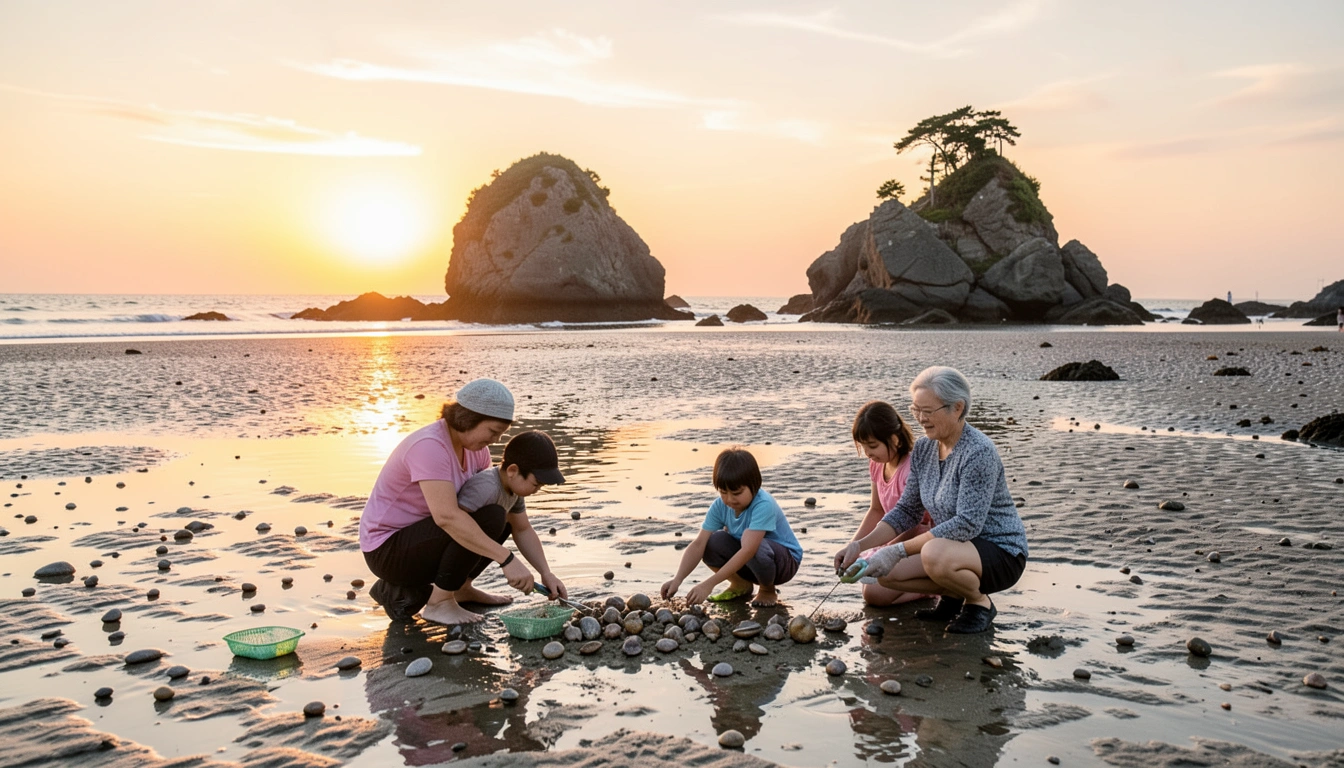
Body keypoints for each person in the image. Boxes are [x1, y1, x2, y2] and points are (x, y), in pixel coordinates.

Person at [836, 367, 1028, 634]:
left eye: (927, 411)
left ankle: (979, 603)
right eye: (916, 410)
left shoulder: (978, 452)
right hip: (953, 549)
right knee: (883, 574)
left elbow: (966, 525)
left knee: (932, 552)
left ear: (957, 408)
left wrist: (897, 550)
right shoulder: (924, 449)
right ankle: (952, 596)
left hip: (1000, 552)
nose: (920, 419)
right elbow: (906, 510)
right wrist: (859, 546)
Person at [360, 378, 557, 624]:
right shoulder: (430, 447)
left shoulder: (477, 451)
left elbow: (521, 526)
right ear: (468, 419)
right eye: (493, 432)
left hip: (424, 538)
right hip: (387, 549)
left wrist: (546, 573)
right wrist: (507, 559)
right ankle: (439, 603)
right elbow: (447, 517)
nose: (496, 440)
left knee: (497, 511)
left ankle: (461, 588)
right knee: (490, 516)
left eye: (501, 434)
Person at [661, 448, 803, 607]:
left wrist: (708, 584)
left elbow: (749, 550)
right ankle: (740, 584)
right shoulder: (720, 506)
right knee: (711, 541)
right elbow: (699, 543)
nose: (729, 499)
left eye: (737, 493)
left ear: (754, 486)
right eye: (723, 492)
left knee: (750, 540)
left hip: (784, 563)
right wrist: (678, 579)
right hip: (751, 562)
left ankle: (767, 590)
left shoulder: (764, 504)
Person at [838, 402, 933, 606]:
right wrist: (852, 548)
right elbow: (876, 510)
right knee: (869, 586)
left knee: (874, 593)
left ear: (895, 439)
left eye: (873, 446)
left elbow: (913, 522)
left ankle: (935, 590)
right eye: (863, 446)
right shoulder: (876, 464)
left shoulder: (910, 469)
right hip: (891, 536)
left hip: (918, 541)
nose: (868, 453)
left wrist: (885, 551)